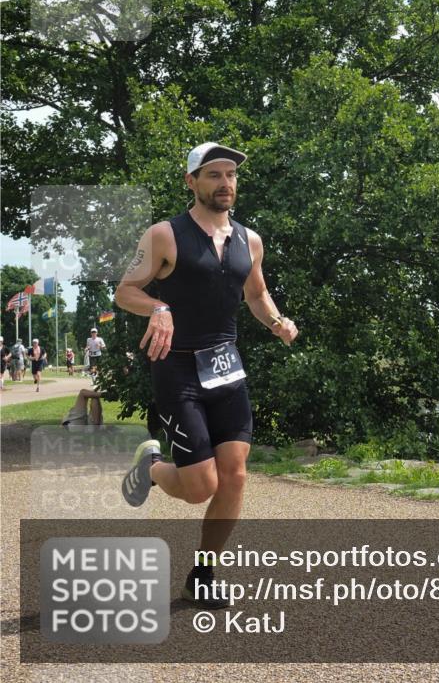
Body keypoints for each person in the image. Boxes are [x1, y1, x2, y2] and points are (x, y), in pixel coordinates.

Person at [114, 142, 298, 610]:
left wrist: (277, 321)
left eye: (230, 175)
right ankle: (152, 468)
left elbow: (256, 294)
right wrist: (159, 306)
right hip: (176, 367)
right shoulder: (164, 235)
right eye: (213, 175)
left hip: (225, 367)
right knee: (201, 487)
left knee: (233, 476)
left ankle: (203, 575)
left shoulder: (249, 240)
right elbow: (124, 291)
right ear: (191, 181)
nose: (225, 183)